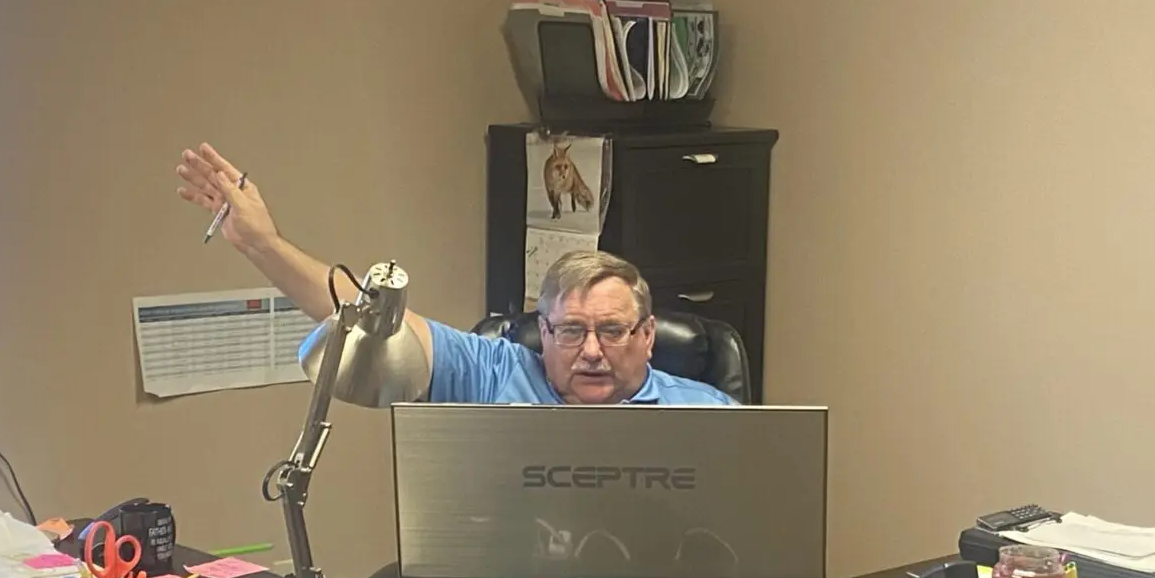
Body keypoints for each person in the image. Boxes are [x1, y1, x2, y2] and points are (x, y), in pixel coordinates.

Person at [175, 143, 737, 406]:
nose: (591, 350)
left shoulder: (710, 416)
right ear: (542, 333)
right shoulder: (495, 373)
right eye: (570, 331)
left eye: (612, 330)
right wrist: (262, 244)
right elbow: (369, 319)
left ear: (646, 335)